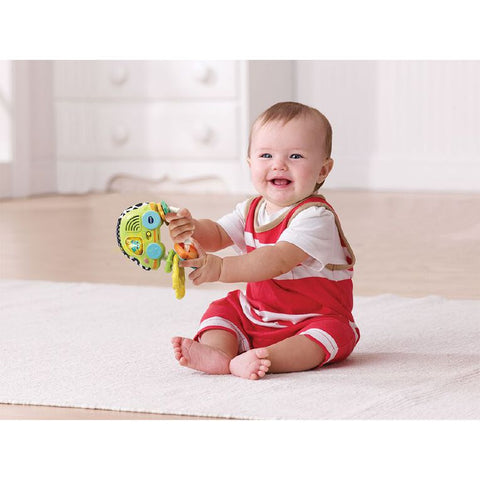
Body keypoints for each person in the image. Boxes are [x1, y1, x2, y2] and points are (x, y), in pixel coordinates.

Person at [167, 101, 360, 380]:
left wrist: (221, 269)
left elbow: (276, 259)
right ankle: (218, 353)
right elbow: (218, 234)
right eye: (266, 155)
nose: (278, 165)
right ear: (250, 164)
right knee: (224, 310)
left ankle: (266, 358)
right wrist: (192, 228)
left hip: (310, 321)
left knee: (333, 335)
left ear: (322, 170)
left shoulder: (315, 217)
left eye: (295, 156)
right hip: (257, 314)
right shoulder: (251, 209)